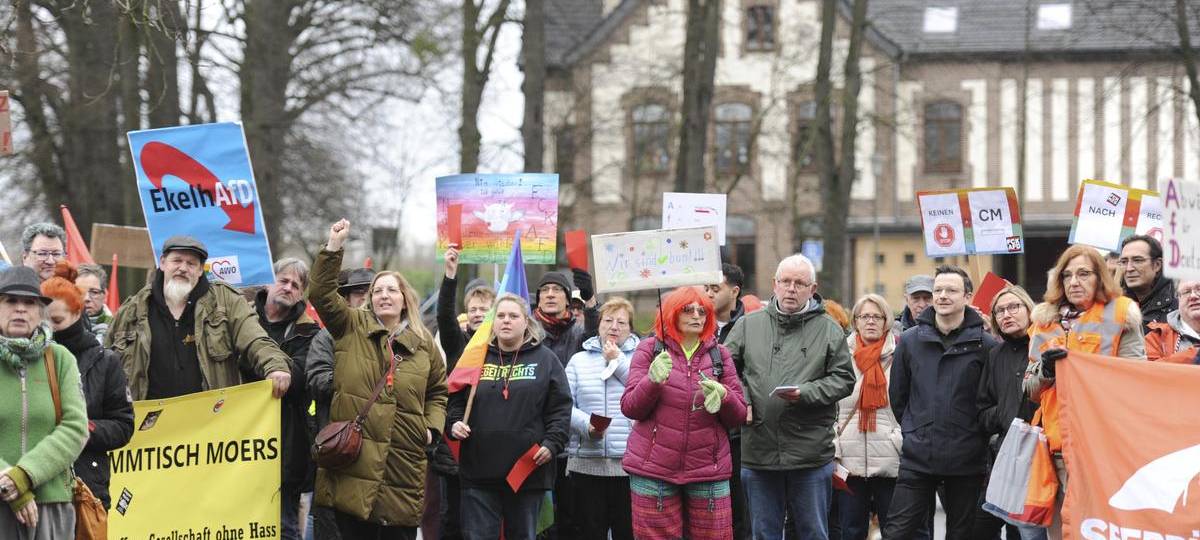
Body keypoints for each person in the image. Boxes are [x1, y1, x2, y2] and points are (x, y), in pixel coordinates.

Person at [309, 219, 448, 538]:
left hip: (402, 467)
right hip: (353, 468)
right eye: (378, 290)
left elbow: (439, 392)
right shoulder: (350, 326)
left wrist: (430, 429)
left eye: (392, 290)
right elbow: (319, 292)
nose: (384, 295)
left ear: (405, 299)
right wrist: (334, 247)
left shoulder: (423, 343)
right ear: (370, 298)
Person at [725, 254, 854, 540]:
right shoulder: (748, 325)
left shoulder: (829, 329)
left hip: (809, 453)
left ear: (813, 287)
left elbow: (844, 379)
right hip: (759, 451)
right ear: (774, 285)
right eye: (785, 281)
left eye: (799, 283)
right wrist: (743, 398)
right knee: (763, 532)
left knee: (812, 532)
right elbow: (726, 369)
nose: (791, 288)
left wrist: (806, 393)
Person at [1024, 245, 1144, 539]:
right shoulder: (1044, 320)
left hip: (1102, 446)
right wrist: (1046, 372)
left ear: (1099, 277)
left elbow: (1136, 379)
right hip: (1055, 449)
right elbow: (1029, 390)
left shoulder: (1121, 314)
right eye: (1067, 275)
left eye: (1083, 274)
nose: (1074, 282)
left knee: (1097, 529)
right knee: (1060, 532)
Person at [620, 286, 748, 540]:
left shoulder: (719, 354)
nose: (697, 315)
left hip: (708, 469)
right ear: (672, 313)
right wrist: (652, 381)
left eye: (702, 310)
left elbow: (739, 416)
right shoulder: (650, 350)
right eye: (688, 309)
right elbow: (630, 407)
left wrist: (724, 397)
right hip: (653, 468)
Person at [883, 265, 996, 539]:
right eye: (938, 290)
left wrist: (975, 437)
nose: (943, 296)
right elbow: (899, 396)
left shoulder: (986, 345)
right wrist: (913, 430)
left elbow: (989, 398)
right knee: (897, 532)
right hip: (918, 456)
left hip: (967, 458)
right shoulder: (910, 341)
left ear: (967, 297)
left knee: (961, 534)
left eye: (951, 290)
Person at [447, 293, 572, 540]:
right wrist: (455, 423)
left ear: (526, 322)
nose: (506, 321)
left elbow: (560, 407)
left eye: (513, 316)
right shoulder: (475, 358)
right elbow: (455, 401)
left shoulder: (547, 360)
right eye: (500, 316)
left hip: (527, 474)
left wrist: (552, 443)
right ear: (492, 323)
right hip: (478, 473)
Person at [106, 235, 292, 400]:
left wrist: (275, 366)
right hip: (149, 431)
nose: (183, 268)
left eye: (191, 263)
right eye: (176, 261)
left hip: (211, 426)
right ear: (162, 263)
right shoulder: (131, 310)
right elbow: (106, 363)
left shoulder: (227, 302)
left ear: (201, 269)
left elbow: (255, 339)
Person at [0, 266, 88, 537]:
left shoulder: (60, 359)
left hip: (51, 507)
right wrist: (9, 484)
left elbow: (76, 428)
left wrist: (25, 475)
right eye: (11, 301)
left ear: (41, 313)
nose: (20, 309)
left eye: (29, 303)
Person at [41, 263, 133, 510]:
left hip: (85, 485)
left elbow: (123, 425)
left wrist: (82, 429)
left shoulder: (105, 361)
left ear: (76, 313)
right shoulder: (31, 357)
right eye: (43, 321)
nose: (49, 329)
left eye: (57, 320)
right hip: (36, 483)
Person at [253, 258, 321, 540]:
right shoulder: (240, 321)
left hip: (286, 447)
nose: (288, 288)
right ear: (269, 281)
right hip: (236, 442)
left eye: (296, 285)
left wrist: (276, 369)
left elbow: (300, 375)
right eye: (283, 280)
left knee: (283, 527)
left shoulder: (310, 333)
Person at [306, 266, 373, 540]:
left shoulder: (395, 336)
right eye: (360, 294)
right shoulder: (326, 338)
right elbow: (318, 382)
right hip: (340, 451)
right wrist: (360, 376)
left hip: (379, 452)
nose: (368, 299)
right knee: (333, 525)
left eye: (373, 292)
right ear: (344, 300)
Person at [435, 248, 497, 540]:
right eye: (472, 308)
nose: (477, 314)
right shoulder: (458, 344)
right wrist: (450, 276)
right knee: (453, 521)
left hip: (492, 449)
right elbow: (444, 314)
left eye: (484, 309)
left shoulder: (504, 351)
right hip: (456, 447)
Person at [565, 297, 638, 540]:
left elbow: (642, 395)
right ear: (598, 325)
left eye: (621, 322)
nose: (614, 327)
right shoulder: (578, 361)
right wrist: (587, 427)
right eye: (608, 320)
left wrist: (618, 361)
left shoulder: (641, 359)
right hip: (586, 464)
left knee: (626, 533)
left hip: (629, 467)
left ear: (630, 328)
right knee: (589, 532)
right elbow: (564, 405)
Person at [533, 268, 599, 539]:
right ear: (537, 299)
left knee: (571, 516)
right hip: (535, 436)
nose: (550, 294)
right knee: (539, 520)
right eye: (545, 290)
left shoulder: (578, 331)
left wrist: (591, 300)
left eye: (557, 290)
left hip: (571, 439)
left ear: (567, 299)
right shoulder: (527, 331)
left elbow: (595, 337)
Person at [834, 294, 904, 540]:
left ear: (887, 321)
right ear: (855, 321)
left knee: (894, 530)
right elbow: (830, 408)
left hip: (891, 458)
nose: (871, 322)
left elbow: (910, 404)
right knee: (851, 531)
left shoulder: (900, 355)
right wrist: (835, 448)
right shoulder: (840, 356)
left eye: (877, 316)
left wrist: (900, 439)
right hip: (849, 460)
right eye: (865, 316)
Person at [973, 285, 1038, 539]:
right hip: (1004, 458)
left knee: (1024, 533)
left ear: (1028, 308)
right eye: (999, 311)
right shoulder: (995, 354)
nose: (1006, 315)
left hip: (1040, 458)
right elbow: (982, 409)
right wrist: (1003, 415)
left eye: (1013, 307)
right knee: (979, 528)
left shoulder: (1044, 344)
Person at [704, 262, 750, 540]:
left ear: (734, 291)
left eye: (715, 288)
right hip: (702, 431)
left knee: (739, 509)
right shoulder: (693, 323)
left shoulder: (751, 325)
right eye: (706, 288)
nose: (708, 294)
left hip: (737, 434)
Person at [1118, 235, 1175, 330]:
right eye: (1124, 262)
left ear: (1157, 265)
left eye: (1137, 260)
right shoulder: (1116, 307)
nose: (1129, 268)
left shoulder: (1177, 315)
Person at [1145, 279, 1200, 364]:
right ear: (1178, 298)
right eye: (1186, 292)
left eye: (1199, 289)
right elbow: (1148, 371)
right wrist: (1193, 355)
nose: (1193, 296)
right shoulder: (1157, 338)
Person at [75, 263, 113, 343]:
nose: (86, 298)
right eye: (80, 292)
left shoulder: (117, 328)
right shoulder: (60, 327)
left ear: (105, 295)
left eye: (94, 292)